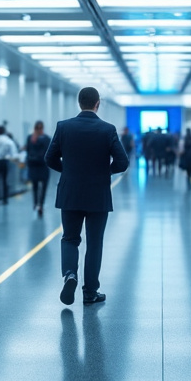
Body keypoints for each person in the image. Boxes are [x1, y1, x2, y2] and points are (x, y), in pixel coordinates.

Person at [45, 87, 129, 306]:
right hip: (97, 194)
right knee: (94, 243)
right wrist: (104, 172)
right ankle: (90, 292)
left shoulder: (63, 127)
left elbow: (49, 158)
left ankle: (70, 274)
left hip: (70, 193)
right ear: (97, 104)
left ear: (79, 103)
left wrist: (67, 170)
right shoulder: (107, 129)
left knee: (70, 238)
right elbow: (123, 162)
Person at [24, 120, 52, 216]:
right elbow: (48, 152)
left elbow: (27, 151)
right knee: (43, 187)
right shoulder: (47, 138)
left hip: (34, 166)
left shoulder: (30, 138)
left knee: (35, 187)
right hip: (42, 165)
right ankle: (40, 204)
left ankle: (36, 204)